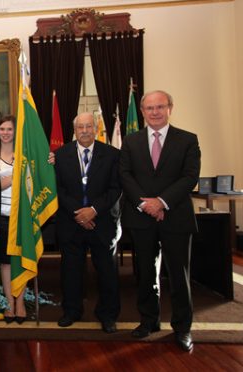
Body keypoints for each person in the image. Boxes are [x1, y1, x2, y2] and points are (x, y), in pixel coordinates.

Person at [120, 90, 201, 352]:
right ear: (142, 111)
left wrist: (162, 202)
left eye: (160, 107)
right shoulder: (131, 142)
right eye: (149, 108)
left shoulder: (188, 140)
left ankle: (182, 328)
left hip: (175, 217)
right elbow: (125, 176)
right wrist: (146, 204)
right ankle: (148, 321)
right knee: (144, 274)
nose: (155, 112)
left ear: (170, 108)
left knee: (179, 275)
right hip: (141, 218)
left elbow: (190, 177)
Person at [54, 112, 121, 333]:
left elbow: (115, 189)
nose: (84, 131)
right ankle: (71, 311)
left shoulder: (112, 155)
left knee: (107, 272)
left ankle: (108, 315)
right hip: (71, 223)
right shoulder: (60, 155)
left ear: (96, 128)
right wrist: (78, 212)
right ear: (74, 130)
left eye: (88, 126)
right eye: (80, 127)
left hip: (102, 222)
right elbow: (58, 189)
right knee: (71, 271)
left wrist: (93, 210)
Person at [0, 115, 27, 324]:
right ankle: (9, 303)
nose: (5, 133)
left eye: (9, 129)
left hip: (21, 218)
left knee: (20, 260)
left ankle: (20, 303)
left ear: (15, 132)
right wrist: (12, 177)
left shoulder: (24, 154)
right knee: (5, 263)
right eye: (2, 129)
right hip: (1, 219)